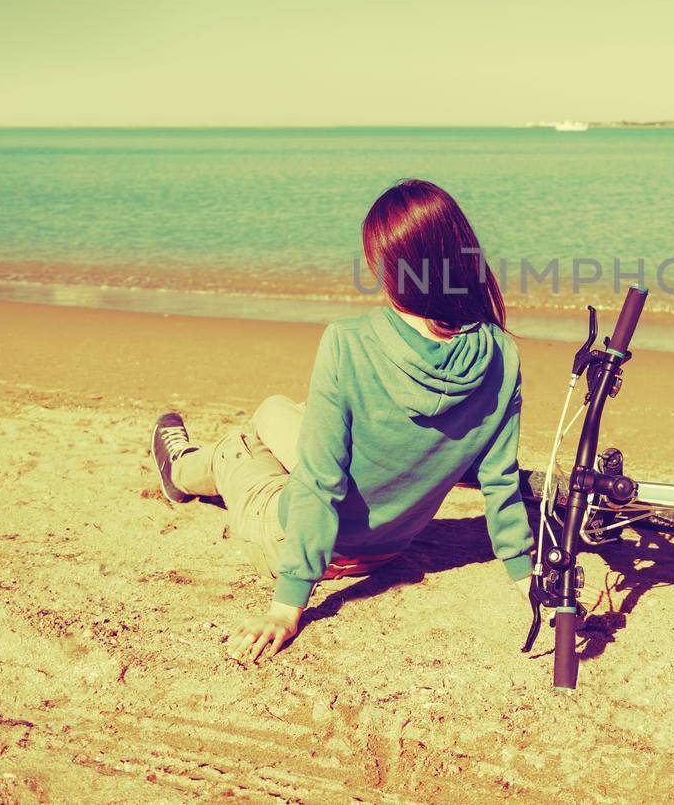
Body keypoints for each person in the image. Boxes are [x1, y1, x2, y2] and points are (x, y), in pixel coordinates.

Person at [148, 179, 534, 664]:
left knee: (240, 445)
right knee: (280, 411)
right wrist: (527, 578)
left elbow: (318, 483)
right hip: (388, 549)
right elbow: (500, 481)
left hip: (294, 541)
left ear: (386, 267)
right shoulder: (503, 354)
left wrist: (287, 607)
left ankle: (179, 469)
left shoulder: (348, 343)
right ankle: (233, 445)